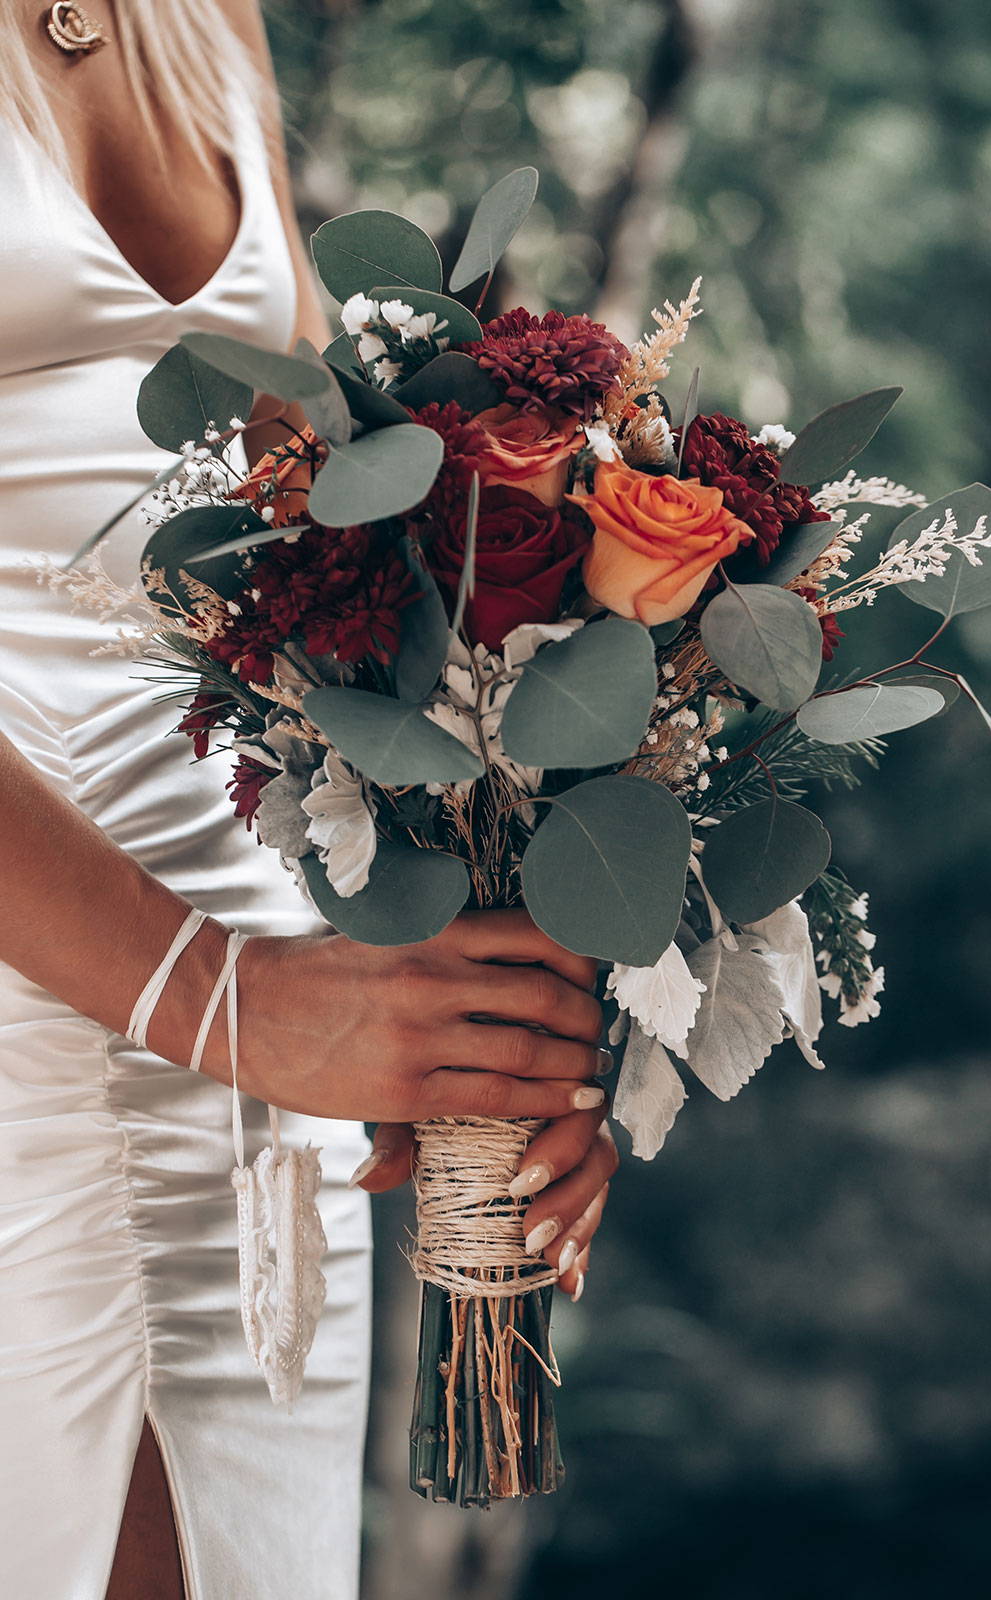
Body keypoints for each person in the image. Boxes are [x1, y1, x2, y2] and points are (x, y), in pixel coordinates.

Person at [0, 3, 618, 1596]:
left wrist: (478, 993)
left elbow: (293, 580)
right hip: (98, 998)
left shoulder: (205, 19)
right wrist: (217, 994)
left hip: (274, 1030)